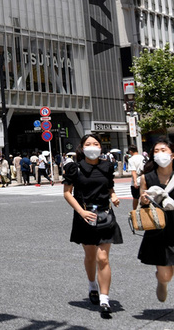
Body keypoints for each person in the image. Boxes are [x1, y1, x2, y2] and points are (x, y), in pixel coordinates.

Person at [63, 134, 122, 318]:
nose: (92, 146)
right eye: (88, 144)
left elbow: (109, 185)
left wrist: (113, 195)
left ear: (101, 146)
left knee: (103, 258)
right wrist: (81, 212)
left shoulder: (107, 166)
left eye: (96, 143)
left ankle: (104, 299)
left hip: (105, 215)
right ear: (82, 147)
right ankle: (92, 286)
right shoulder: (74, 168)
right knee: (90, 256)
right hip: (85, 216)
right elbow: (67, 193)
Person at [137, 138, 174, 302]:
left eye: (164, 150)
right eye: (156, 151)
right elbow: (141, 202)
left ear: (172, 154)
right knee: (166, 275)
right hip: (159, 229)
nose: (160, 153)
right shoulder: (147, 178)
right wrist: (144, 200)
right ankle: (162, 281)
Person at [127, 145, 146, 209]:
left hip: (138, 179)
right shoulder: (144, 157)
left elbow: (133, 171)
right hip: (145, 178)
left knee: (135, 197)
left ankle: (134, 211)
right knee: (145, 196)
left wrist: (135, 182)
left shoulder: (131, 159)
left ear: (130, 151)